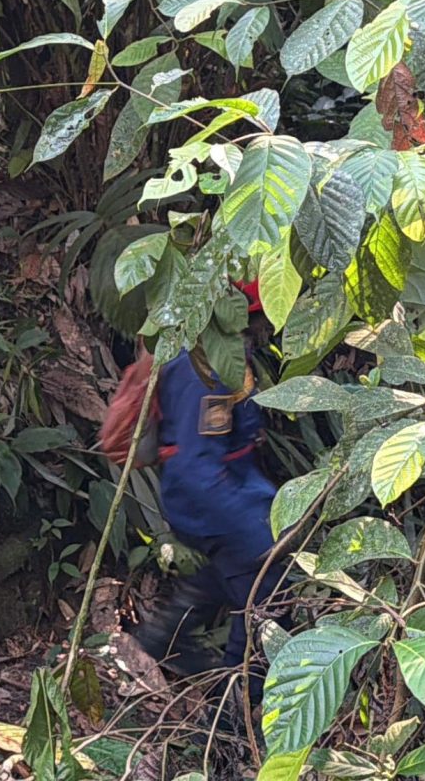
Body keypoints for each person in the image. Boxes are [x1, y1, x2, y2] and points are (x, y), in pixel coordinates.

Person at [131, 282, 283, 690]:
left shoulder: (224, 355)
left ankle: (168, 635)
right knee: (265, 599)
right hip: (210, 494)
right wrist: (252, 528)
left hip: (226, 487)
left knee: (230, 572)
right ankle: (232, 718)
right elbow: (197, 462)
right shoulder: (208, 368)